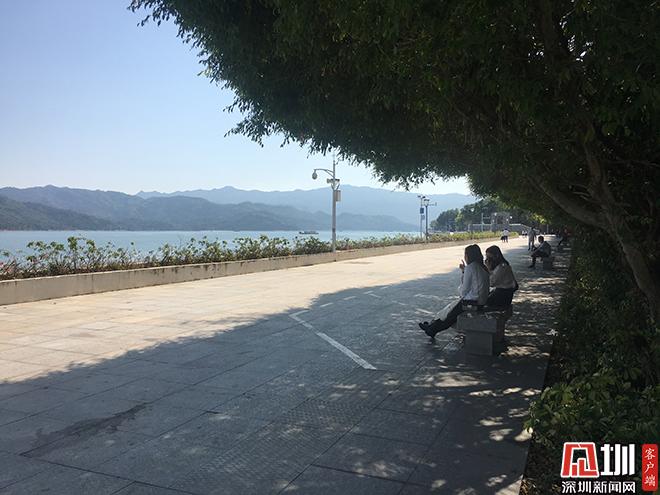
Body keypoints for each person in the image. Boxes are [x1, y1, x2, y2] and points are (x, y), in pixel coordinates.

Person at [419, 244, 489, 338]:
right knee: (450, 311)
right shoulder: (482, 267)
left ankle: (432, 329)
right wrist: (464, 271)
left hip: (473, 302)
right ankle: (432, 327)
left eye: (465, 254)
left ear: (468, 256)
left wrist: (464, 272)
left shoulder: (471, 267)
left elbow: (463, 291)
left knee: (450, 315)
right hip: (482, 300)